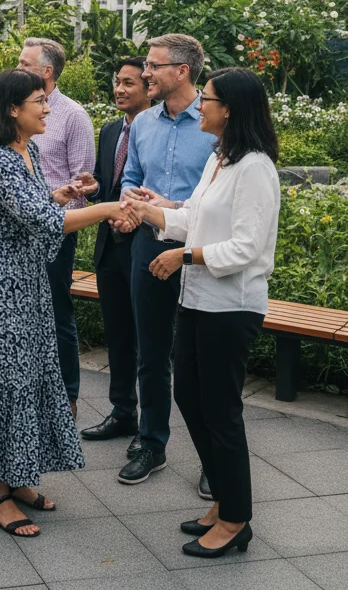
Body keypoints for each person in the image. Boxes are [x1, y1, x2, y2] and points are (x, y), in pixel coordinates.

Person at [0, 69, 128, 538]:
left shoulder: (26, 153)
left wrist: (60, 194)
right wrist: (107, 207)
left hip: (26, 281)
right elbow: (39, 219)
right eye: (38, 102)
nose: (47, 108)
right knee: (4, 381)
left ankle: (19, 479)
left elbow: (36, 206)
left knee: (27, 376)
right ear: (13, 110)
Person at [122, 68, 279, 558]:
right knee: (189, 394)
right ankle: (226, 503)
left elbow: (248, 247)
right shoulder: (221, 160)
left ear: (228, 109)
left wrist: (183, 256)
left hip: (230, 307)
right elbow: (192, 215)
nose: (200, 108)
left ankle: (235, 518)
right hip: (198, 301)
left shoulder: (254, 167)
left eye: (207, 100)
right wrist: (151, 212)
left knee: (222, 412)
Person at [114, 34, 216, 487]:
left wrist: (168, 206)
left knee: (203, 358)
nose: (146, 73)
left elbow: (216, 199)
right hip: (149, 246)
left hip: (201, 252)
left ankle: (216, 462)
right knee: (151, 351)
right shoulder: (143, 124)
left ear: (182, 71)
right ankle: (152, 443)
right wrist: (129, 201)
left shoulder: (216, 123)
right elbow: (132, 177)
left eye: (154, 66)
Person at [71, 58, 151, 452]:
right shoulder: (109, 131)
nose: (119, 89)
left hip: (145, 246)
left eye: (128, 83)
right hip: (110, 247)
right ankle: (123, 412)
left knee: (150, 342)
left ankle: (152, 429)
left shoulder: (156, 132)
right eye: (116, 82)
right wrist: (93, 184)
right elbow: (110, 185)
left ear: (149, 88)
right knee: (118, 336)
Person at [18, 38, 95, 415]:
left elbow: (83, 185)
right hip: (21, 231)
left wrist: (53, 202)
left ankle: (68, 395)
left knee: (56, 310)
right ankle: (33, 388)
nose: (17, 66)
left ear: (46, 71)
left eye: (24, 62)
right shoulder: (18, 111)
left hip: (56, 230)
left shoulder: (73, 116)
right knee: (27, 311)